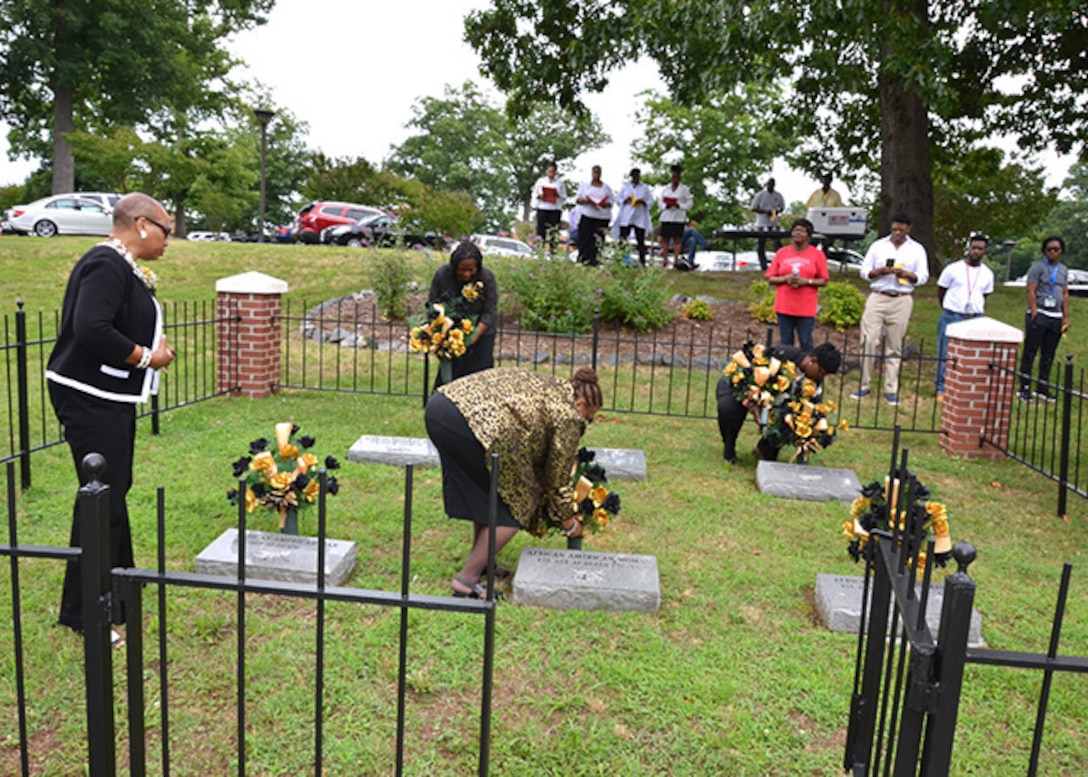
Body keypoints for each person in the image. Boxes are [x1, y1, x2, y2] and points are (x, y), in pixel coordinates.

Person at [46, 192, 177, 637]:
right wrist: (146, 358)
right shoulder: (106, 263)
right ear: (142, 224)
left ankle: (118, 592)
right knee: (100, 499)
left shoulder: (120, 265)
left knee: (112, 494)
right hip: (87, 397)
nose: (168, 239)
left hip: (108, 398)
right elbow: (91, 328)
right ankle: (89, 614)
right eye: (166, 229)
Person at [424, 367, 603, 598]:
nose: (585, 423)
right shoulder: (569, 413)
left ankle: (483, 560)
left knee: (490, 492)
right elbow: (557, 481)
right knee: (518, 505)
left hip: (442, 406)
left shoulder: (554, 386)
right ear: (581, 404)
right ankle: (466, 580)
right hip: (473, 423)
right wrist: (571, 525)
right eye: (589, 417)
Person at [716, 343, 841, 464]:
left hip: (772, 400)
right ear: (813, 361)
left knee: (790, 417)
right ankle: (729, 449)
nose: (821, 377)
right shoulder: (782, 355)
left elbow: (813, 405)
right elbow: (748, 374)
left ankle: (764, 450)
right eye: (820, 372)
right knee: (729, 409)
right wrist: (751, 404)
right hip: (738, 387)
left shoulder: (814, 382)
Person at [851, 213, 929, 406]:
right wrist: (879, 272)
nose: (897, 233)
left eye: (901, 230)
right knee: (868, 340)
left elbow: (924, 276)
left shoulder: (917, 249)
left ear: (908, 229)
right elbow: (864, 271)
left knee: (895, 345)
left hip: (901, 298)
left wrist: (908, 275)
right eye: (894, 229)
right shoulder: (878, 245)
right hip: (878, 295)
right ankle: (864, 385)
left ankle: (891, 389)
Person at [426, 240, 498, 389]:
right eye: (461, 270)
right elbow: (433, 305)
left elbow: (489, 313)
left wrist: (470, 339)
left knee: (479, 380)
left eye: (471, 270)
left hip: (480, 334)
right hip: (450, 332)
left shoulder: (486, 278)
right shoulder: (442, 275)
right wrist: (441, 333)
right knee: (450, 378)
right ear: (454, 267)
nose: (466, 274)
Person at [934, 234, 995, 401]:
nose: (975, 251)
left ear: (985, 252)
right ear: (968, 248)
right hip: (952, 315)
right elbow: (941, 290)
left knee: (973, 354)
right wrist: (948, 307)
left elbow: (985, 294)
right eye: (973, 248)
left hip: (975, 316)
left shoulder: (987, 274)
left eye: (980, 249)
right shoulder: (953, 269)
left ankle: (966, 387)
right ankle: (941, 387)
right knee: (945, 352)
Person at [1019, 236, 1071, 402]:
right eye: (1049, 249)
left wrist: (1065, 317)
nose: (1053, 252)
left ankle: (1043, 387)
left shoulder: (1063, 269)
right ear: (1045, 251)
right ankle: (1024, 387)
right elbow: (1030, 290)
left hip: (1055, 316)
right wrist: (1035, 312)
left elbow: (1064, 293)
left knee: (1048, 354)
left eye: (1056, 249)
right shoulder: (1038, 268)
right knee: (1030, 351)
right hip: (1040, 313)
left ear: (1061, 251)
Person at [764, 218, 829, 351]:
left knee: (806, 342)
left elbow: (823, 280)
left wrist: (807, 281)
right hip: (784, 306)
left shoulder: (817, 255)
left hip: (805, 307)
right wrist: (785, 279)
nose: (798, 233)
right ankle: (788, 370)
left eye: (802, 231)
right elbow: (770, 278)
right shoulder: (782, 252)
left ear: (809, 236)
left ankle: (807, 370)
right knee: (786, 344)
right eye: (795, 230)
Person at [612, 168, 653, 266]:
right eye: (634, 176)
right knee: (623, 239)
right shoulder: (625, 187)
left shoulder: (644, 188)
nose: (636, 178)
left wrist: (643, 202)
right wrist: (625, 200)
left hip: (639, 216)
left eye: (637, 176)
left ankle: (642, 261)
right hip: (626, 215)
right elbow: (618, 200)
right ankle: (620, 258)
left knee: (640, 240)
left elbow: (650, 202)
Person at [574, 165, 613, 266]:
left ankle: (596, 260)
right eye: (595, 172)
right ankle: (582, 258)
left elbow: (611, 201)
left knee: (598, 239)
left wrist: (605, 203)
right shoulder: (585, 186)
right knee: (585, 237)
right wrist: (585, 200)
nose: (597, 175)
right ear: (592, 173)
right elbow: (578, 199)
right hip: (588, 214)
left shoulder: (606, 188)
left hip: (601, 216)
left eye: (598, 172)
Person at [657, 164, 693, 268]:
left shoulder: (684, 189)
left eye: (677, 176)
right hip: (667, 216)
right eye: (673, 177)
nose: (675, 179)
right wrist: (666, 205)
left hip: (678, 217)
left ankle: (676, 261)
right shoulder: (666, 189)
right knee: (665, 239)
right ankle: (665, 260)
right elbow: (660, 202)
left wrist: (679, 205)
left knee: (677, 239)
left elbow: (690, 204)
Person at [750, 177, 786, 270]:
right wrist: (765, 211)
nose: (771, 186)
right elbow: (753, 208)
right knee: (761, 245)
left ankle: (780, 265)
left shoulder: (778, 195)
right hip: (761, 223)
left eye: (773, 184)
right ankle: (763, 266)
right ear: (766, 184)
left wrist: (776, 211)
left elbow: (782, 207)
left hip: (774, 222)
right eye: (769, 184)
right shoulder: (760, 195)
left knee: (778, 245)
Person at [532, 161, 566, 254]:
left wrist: (557, 195)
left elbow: (564, 197)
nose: (551, 174)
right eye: (550, 171)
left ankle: (553, 252)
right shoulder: (541, 181)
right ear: (547, 171)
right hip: (543, 208)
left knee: (554, 232)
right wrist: (540, 196)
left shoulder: (560, 183)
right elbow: (535, 193)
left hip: (554, 209)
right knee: (541, 231)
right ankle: (539, 251)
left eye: (553, 172)